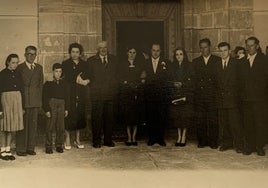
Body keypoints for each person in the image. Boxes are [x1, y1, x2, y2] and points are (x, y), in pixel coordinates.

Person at [237, 37, 268, 156]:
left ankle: (259, 146)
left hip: (260, 99)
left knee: (259, 123)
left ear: (257, 46)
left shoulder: (264, 60)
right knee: (247, 123)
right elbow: (239, 81)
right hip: (246, 99)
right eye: (247, 46)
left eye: (252, 45)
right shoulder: (242, 61)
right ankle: (249, 146)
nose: (249, 48)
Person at [87, 41, 118, 148]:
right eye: (101, 48)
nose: (103, 49)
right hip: (97, 95)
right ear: (97, 49)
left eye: (105, 47)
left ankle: (108, 140)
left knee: (109, 118)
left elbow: (117, 76)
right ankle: (96, 141)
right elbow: (88, 77)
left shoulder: (114, 59)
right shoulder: (91, 61)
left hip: (110, 94)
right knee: (96, 119)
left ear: (107, 48)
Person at [215, 42, 243, 153]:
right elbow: (215, 82)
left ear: (230, 51)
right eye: (221, 51)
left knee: (235, 123)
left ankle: (238, 144)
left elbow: (240, 81)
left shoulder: (236, 63)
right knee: (224, 123)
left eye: (225, 50)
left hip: (233, 99)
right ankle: (226, 143)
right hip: (221, 98)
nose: (223, 53)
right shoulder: (217, 64)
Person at [193, 38, 221, 149]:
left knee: (213, 119)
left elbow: (218, 78)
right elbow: (194, 79)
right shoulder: (196, 61)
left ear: (210, 47)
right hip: (200, 95)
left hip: (212, 95)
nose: (203, 50)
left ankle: (213, 141)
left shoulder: (217, 60)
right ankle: (202, 140)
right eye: (201, 47)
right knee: (201, 119)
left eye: (205, 47)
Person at [16, 45, 44, 156]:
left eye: (33, 54)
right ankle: (21, 149)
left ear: (36, 55)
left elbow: (40, 85)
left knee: (33, 125)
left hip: (35, 101)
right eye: (29, 54)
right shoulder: (20, 67)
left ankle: (30, 147)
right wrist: (20, 103)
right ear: (25, 55)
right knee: (22, 126)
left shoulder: (39, 68)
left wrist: (39, 101)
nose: (31, 56)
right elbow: (18, 86)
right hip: (24, 101)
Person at [62, 43, 89, 150]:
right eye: (73, 52)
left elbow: (88, 76)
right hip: (69, 92)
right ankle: (67, 138)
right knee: (69, 114)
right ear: (70, 52)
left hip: (81, 92)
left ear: (80, 53)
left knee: (79, 114)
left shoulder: (84, 64)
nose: (75, 54)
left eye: (77, 52)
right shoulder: (65, 64)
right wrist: (76, 79)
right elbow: (66, 78)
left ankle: (77, 139)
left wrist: (85, 80)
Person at [118, 46, 146, 146]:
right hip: (126, 94)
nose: (132, 54)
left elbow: (142, 78)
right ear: (127, 53)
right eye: (130, 52)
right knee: (128, 117)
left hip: (136, 93)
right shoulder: (122, 65)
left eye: (134, 52)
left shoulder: (139, 65)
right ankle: (129, 137)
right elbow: (120, 78)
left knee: (135, 117)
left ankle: (134, 137)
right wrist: (126, 84)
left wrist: (137, 84)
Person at [144, 43, 170, 146]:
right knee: (150, 117)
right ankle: (151, 138)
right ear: (151, 51)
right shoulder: (145, 63)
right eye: (154, 50)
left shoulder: (166, 63)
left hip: (161, 95)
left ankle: (160, 138)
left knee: (161, 117)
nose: (155, 52)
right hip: (149, 95)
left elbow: (168, 78)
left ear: (161, 51)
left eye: (157, 50)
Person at [169, 47, 195, 147]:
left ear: (184, 55)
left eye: (181, 54)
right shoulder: (172, 66)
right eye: (177, 55)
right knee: (177, 117)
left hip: (185, 95)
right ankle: (178, 136)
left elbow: (192, 81)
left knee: (185, 117)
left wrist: (183, 84)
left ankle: (184, 136)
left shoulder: (189, 66)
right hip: (176, 94)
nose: (179, 56)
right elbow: (169, 79)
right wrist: (174, 84)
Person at [42, 63, 70, 154]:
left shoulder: (64, 84)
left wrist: (66, 109)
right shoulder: (48, 83)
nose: (58, 73)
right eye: (56, 71)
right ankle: (48, 146)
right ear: (53, 72)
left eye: (60, 72)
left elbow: (67, 97)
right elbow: (44, 97)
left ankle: (59, 145)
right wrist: (46, 110)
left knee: (60, 126)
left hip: (61, 104)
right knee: (50, 126)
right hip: (52, 104)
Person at [0, 54, 24, 160]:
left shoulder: (18, 74)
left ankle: (8, 149)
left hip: (16, 101)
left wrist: (22, 106)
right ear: (8, 62)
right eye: (13, 62)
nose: (15, 65)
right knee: (3, 126)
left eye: (17, 62)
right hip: (5, 101)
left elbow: (22, 90)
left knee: (11, 127)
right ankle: (2, 150)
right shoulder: (2, 74)